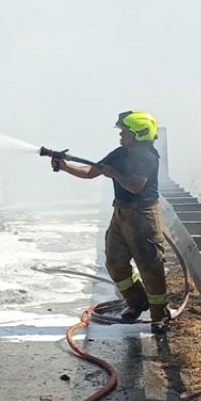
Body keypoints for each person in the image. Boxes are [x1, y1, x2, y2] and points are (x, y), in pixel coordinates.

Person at [50, 110, 170, 333]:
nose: (121, 135)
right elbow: (90, 172)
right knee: (115, 263)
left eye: (125, 132)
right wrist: (65, 166)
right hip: (121, 214)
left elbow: (136, 186)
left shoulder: (147, 157)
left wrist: (114, 173)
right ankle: (137, 302)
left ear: (139, 133)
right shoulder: (119, 153)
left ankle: (159, 315)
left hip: (143, 215)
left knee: (150, 266)